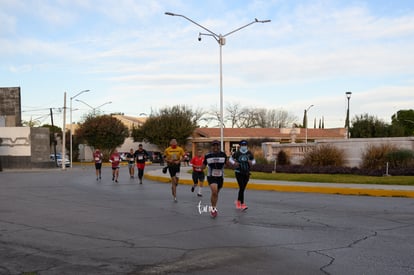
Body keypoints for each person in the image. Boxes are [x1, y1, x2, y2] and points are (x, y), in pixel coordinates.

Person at [202, 140, 228, 218]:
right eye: (214, 145)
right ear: (212, 147)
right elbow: (203, 165)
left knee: (216, 194)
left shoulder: (223, 155)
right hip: (211, 176)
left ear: (219, 146)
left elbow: (226, 164)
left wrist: (234, 165)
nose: (215, 147)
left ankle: (214, 206)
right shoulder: (208, 155)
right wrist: (200, 168)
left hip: (220, 177)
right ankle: (213, 209)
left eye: (217, 145)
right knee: (214, 192)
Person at [229, 140, 256, 210]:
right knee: (241, 187)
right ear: (240, 145)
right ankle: (242, 204)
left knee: (243, 188)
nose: (244, 146)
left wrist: (251, 162)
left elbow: (254, 161)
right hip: (238, 172)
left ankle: (238, 201)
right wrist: (234, 163)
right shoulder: (237, 153)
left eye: (245, 145)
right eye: (242, 145)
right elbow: (230, 159)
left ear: (247, 145)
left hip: (246, 172)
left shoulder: (249, 153)